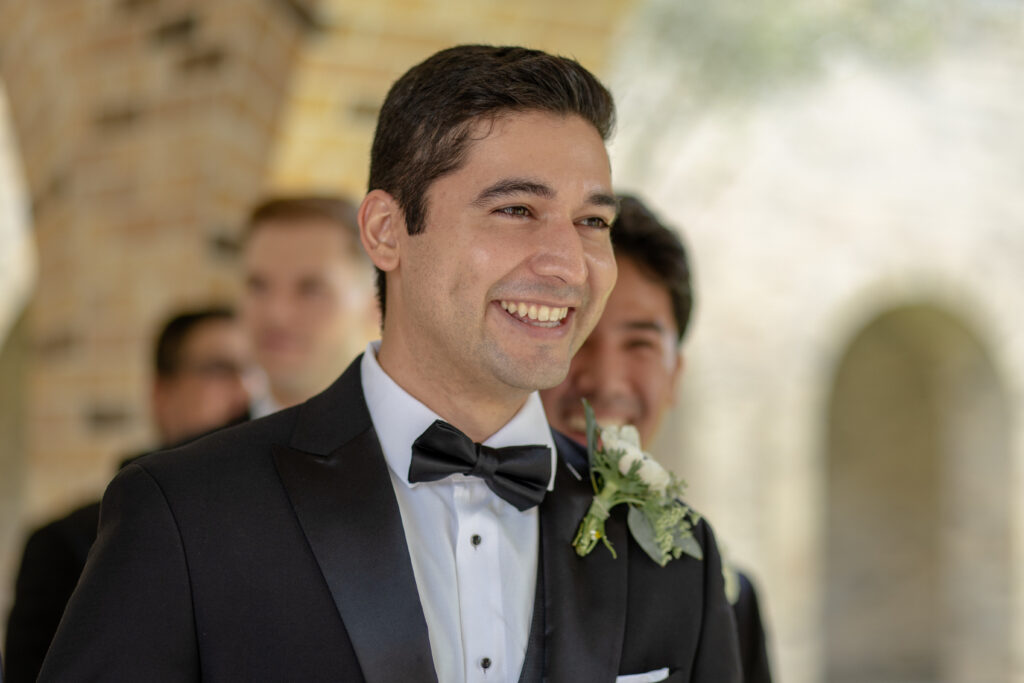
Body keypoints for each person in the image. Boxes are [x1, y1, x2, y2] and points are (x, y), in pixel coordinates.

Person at [40, 45, 741, 682]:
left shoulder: (674, 550)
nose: (568, 264)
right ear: (385, 231)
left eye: (592, 221)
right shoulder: (186, 515)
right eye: (518, 209)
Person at [540, 195, 774, 682]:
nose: (605, 381)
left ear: (675, 377)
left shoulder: (729, 596)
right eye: (577, 335)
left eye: (640, 344)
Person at [4, 307, 253, 683]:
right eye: (219, 369)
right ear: (161, 394)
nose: (246, 391)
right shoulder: (65, 545)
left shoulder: (278, 530)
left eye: (254, 371)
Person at [240, 196, 378, 417]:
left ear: (377, 303)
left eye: (311, 290)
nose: (277, 314)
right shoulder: (194, 451)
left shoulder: (422, 447)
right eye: (259, 286)